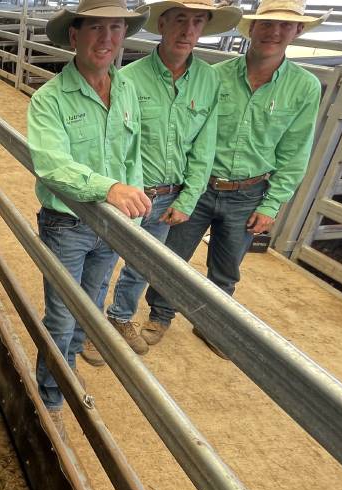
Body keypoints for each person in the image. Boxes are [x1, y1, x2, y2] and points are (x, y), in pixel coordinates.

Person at [142, 0, 325, 358]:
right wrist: (187, 189)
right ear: (251, 29)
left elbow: (295, 149)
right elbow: (191, 134)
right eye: (267, 25)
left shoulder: (305, 88)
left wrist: (272, 202)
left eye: (285, 26)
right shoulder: (215, 76)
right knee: (173, 254)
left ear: (298, 31)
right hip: (200, 185)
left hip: (249, 191)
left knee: (227, 264)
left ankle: (212, 323)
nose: (274, 33)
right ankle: (160, 314)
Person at [89, 0, 240, 363]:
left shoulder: (209, 79)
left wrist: (188, 198)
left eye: (198, 21)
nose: (188, 30)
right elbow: (118, 141)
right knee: (105, 260)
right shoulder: (129, 77)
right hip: (132, 191)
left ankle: (120, 316)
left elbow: (206, 142)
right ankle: (91, 328)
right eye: (180, 20)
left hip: (171, 193)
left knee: (145, 263)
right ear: (162, 24)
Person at [27, 0, 151, 419]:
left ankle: (69, 367)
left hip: (112, 224)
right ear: (75, 36)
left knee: (91, 306)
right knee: (62, 315)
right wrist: (110, 188)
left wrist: (131, 192)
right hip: (68, 224)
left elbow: (133, 151)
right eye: (95, 28)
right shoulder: (49, 99)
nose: (107, 38)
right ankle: (50, 397)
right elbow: (52, 166)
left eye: (115, 28)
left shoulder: (128, 89)